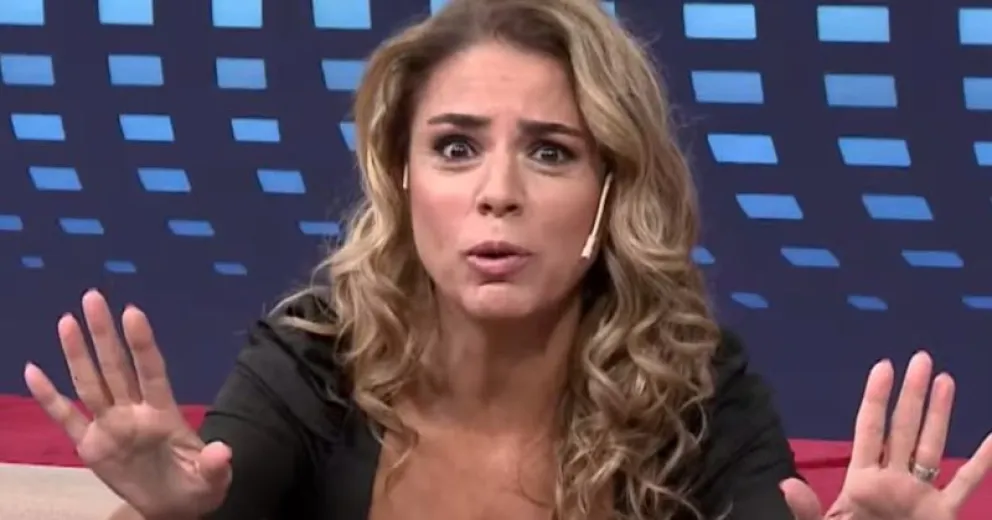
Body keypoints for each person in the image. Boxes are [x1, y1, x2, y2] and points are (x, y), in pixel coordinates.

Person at [22, 0, 991, 518]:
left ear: (610, 188)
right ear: (402, 177)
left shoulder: (697, 390)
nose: (498, 192)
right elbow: (204, 496)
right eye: (455, 147)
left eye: (551, 152)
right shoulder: (310, 361)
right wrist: (163, 517)